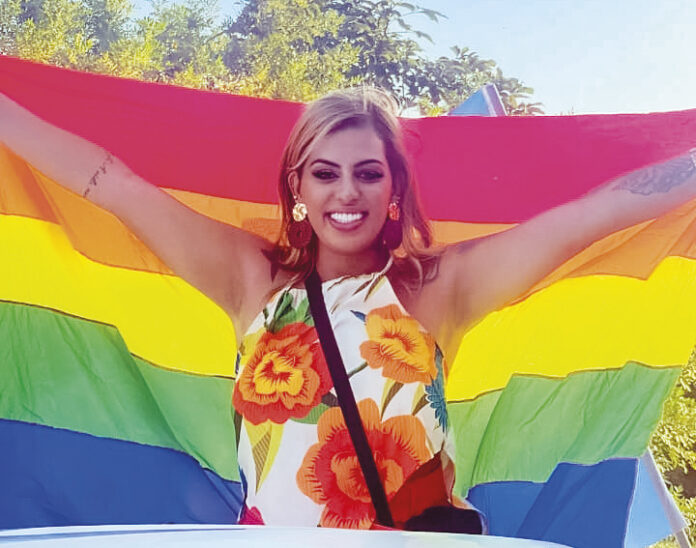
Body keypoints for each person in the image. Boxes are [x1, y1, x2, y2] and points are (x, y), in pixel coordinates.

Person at [1, 87, 695, 530]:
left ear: (394, 191)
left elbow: (591, 217)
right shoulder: (252, 282)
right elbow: (112, 185)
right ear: (298, 188)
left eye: (368, 173)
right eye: (325, 173)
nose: (347, 193)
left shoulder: (438, 288)